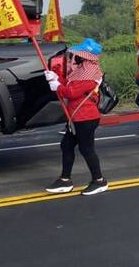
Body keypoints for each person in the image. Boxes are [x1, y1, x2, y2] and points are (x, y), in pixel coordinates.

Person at [44, 38, 108, 196]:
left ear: (84, 57)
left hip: (85, 118)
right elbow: (69, 84)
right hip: (77, 117)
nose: (73, 57)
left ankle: (99, 181)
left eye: (76, 55)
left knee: (86, 149)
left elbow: (71, 92)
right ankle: (65, 180)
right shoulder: (81, 71)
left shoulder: (90, 75)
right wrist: (56, 78)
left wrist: (57, 86)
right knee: (66, 145)